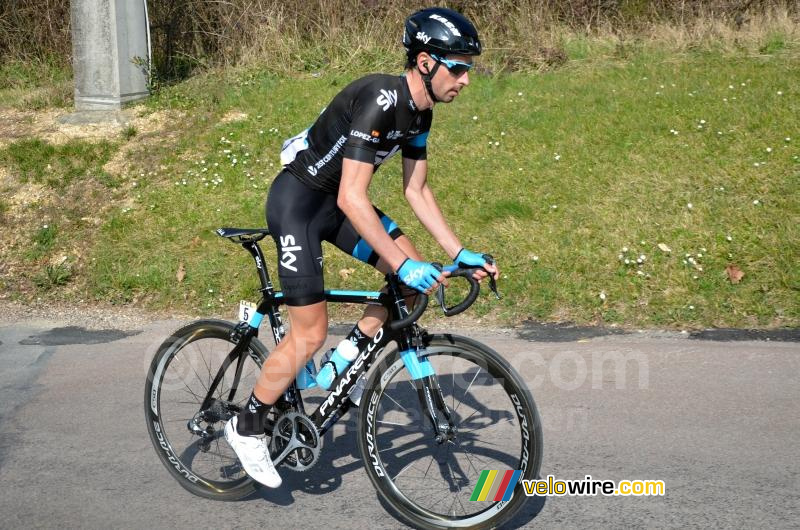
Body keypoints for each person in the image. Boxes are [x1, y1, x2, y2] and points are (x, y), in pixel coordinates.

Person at [224, 6, 499, 488]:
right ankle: (246, 426)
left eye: (468, 68)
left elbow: (417, 191)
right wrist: (404, 263)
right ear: (425, 62)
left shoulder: (422, 111)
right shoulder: (380, 98)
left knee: (412, 284)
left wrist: (458, 252)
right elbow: (353, 196)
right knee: (309, 332)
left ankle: (344, 367)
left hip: (337, 204)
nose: (466, 79)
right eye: (458, 66)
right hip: (299, 205)